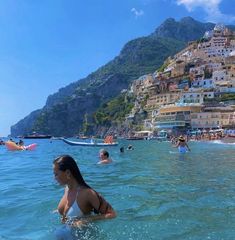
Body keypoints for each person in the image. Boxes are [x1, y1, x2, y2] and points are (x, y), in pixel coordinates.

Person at [53, 155, 116, 229]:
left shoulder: (87, 193)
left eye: (56, 174)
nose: (54, 178)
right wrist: (58, 210)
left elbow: (112, 214)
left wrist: (88, 219)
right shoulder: (67, 189)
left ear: (67, 173)